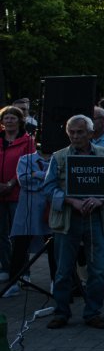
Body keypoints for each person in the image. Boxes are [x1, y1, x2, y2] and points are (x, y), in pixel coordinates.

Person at [43, 115, 104, 329]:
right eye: (72, 132)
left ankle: (93, 312)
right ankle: (61, 312)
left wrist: (101, 199)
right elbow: (48, 189)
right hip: (68, 219)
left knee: (97, 270)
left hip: (97, 219)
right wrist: (70, 200)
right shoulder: (58, 157)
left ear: (90, 133)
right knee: (63, 270)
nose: (76, 136)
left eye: (80, 132)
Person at [5, 146, 52, 298]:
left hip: (49, 210)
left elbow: (57, 180)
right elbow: (24, 181)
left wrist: (35, 174)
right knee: (19, 246)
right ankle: (12, 284)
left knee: (53, 247)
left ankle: (55, 282)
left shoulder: (57, 160)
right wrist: (45, 177)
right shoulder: (25, 159)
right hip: (27, 210)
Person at [1, 105, 35, 282]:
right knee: (1, 234)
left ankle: (23, 272)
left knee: (19, 235)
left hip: (17, 192)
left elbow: (30, 165)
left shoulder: (28, 140)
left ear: (20, 120)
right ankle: (6, 268)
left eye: (13, 117)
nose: (9, 120)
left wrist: (11, 182)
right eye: (6, 117)